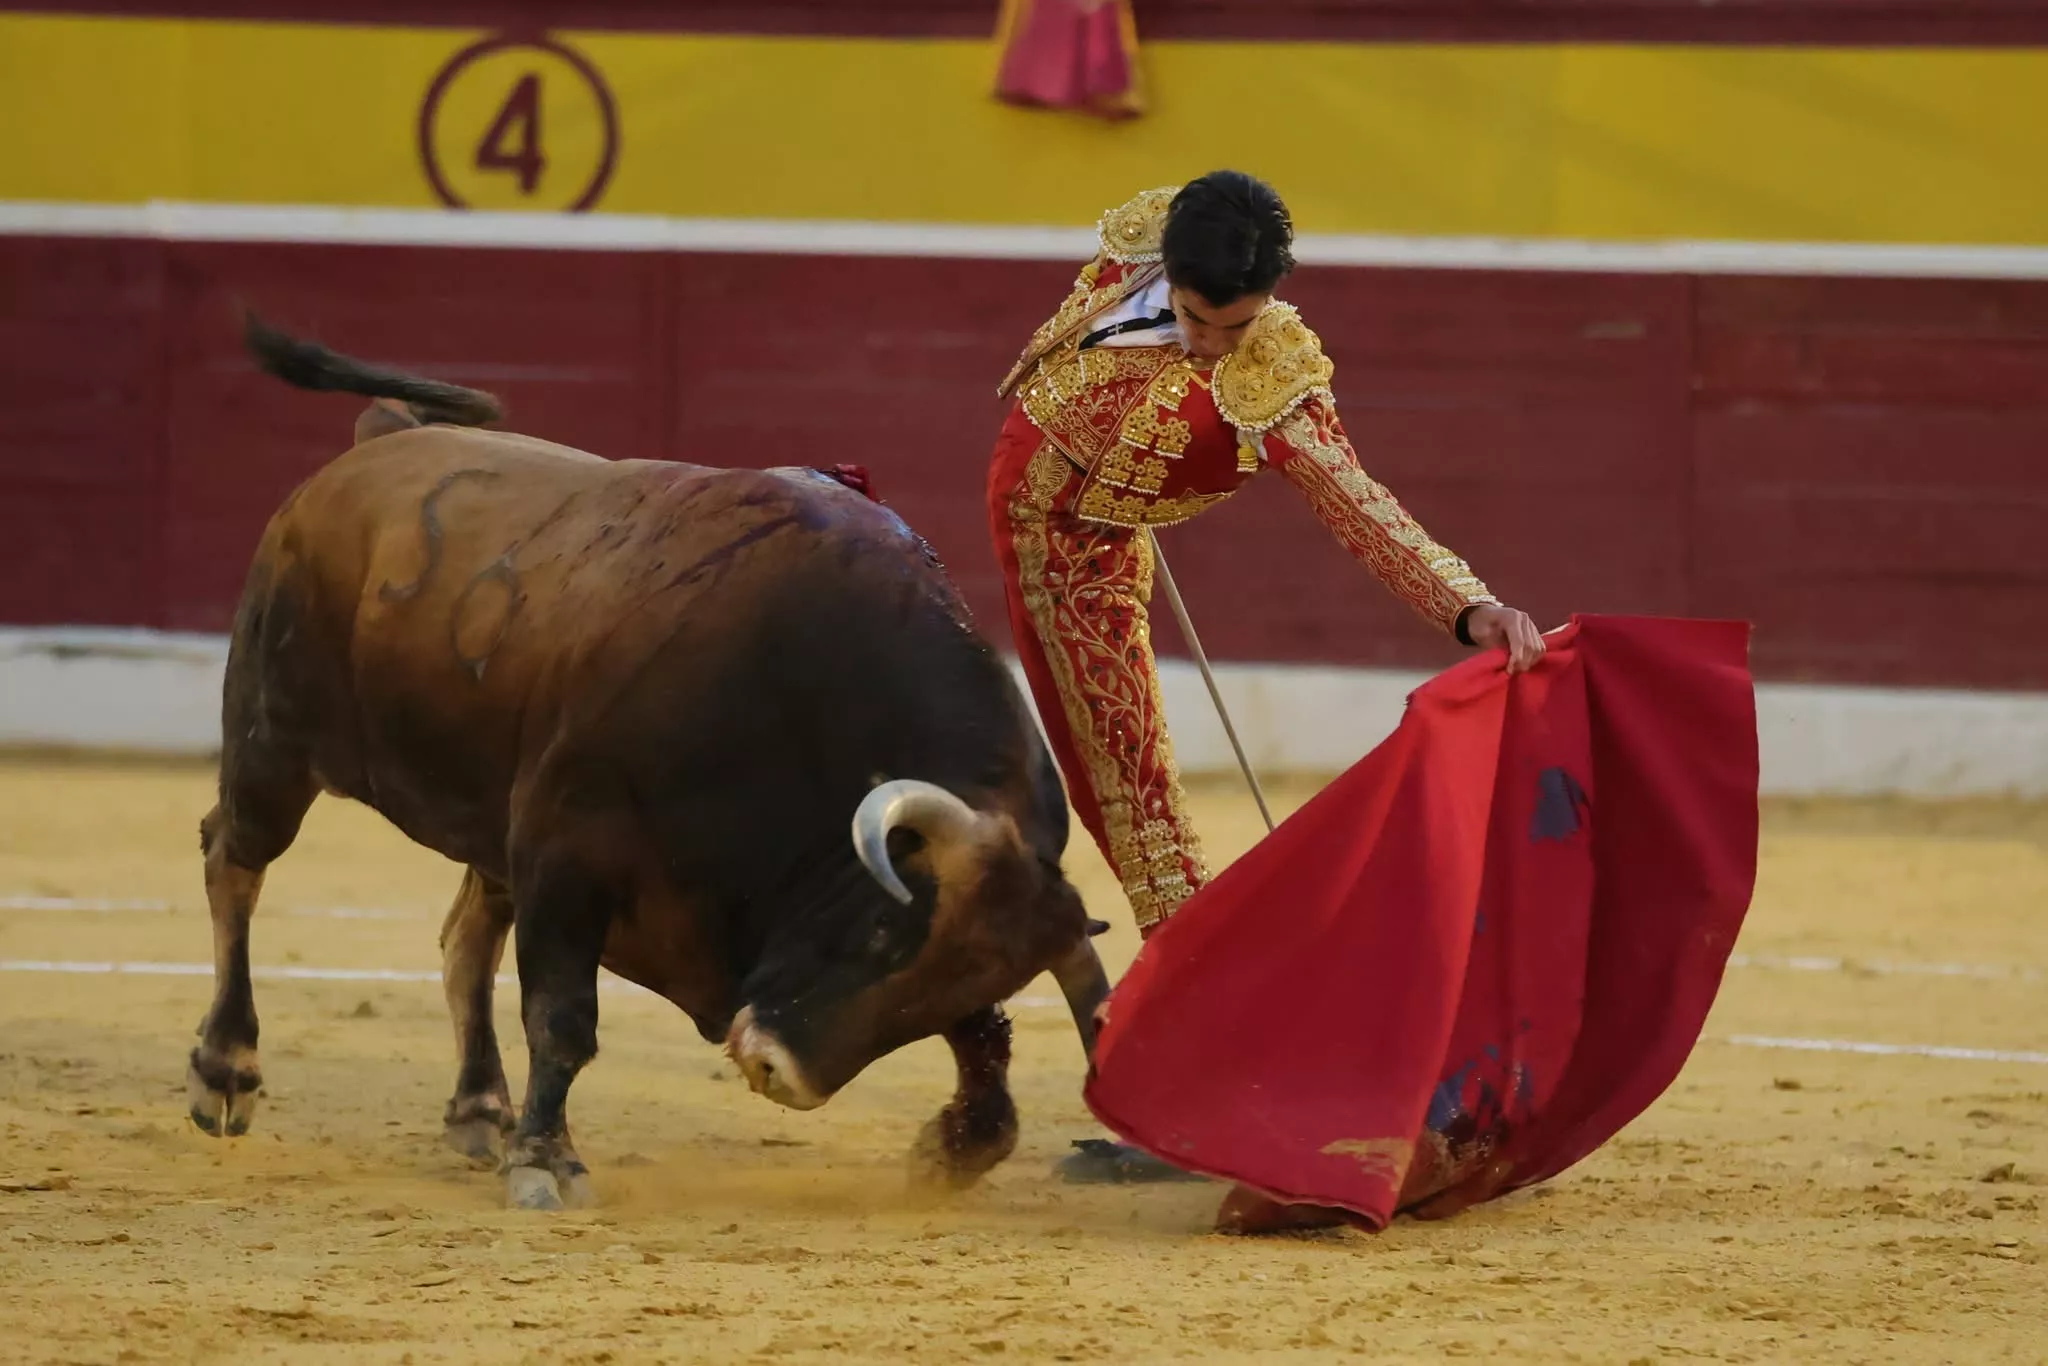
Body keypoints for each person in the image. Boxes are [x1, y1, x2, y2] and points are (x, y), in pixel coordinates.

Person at [984, 170, 1547, 1183]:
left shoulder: (1273, 375)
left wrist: (1469, 606)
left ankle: (1207, 1086)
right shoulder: (1142, 241)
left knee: (1139, 820)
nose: (1212, 346)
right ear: (1167, 271)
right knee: (1130, 810)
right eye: (1200, 319)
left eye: (1233, 325)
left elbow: (1354, 503)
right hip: (1035, 537)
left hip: (1076, 567)